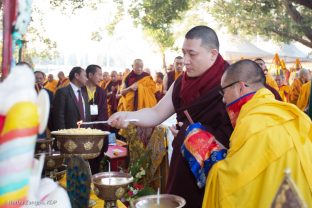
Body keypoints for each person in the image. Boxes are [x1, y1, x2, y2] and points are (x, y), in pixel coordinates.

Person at [109, 26, 233, 208]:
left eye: (192, 54)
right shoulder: (182, 82)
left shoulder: (231, 80)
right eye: (183, 54)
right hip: (185, 161)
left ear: (213, 54)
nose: (185, 61)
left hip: (221, 165)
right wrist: (128, 116)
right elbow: (156, 112)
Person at [202, 59, 312, 207]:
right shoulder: (288, 113)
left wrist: (205, 156)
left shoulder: (252, 123)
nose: (223, 99)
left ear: (240, 88)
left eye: (224, 90)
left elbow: (232, 183)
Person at [83, 64, 109, 174]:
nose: (101, 78)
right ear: (90, 75)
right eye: (99, 75)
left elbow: (103, 113)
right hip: (81, 134)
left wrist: (95, 129)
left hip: (96, 134)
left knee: (95, 165)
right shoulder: (80, 90)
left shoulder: (102, 92)